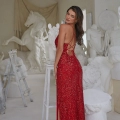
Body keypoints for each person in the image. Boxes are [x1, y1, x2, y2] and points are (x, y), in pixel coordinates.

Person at [54, 6, 85, 120]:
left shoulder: (63, 27)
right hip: (75, 67)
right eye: (68, 13)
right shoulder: (74, 30)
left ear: (76, 19)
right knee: (73, 101)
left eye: (72, 16)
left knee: (65, 100)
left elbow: (60, 49)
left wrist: (55, 65)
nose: (68, 17)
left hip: (65, 66)